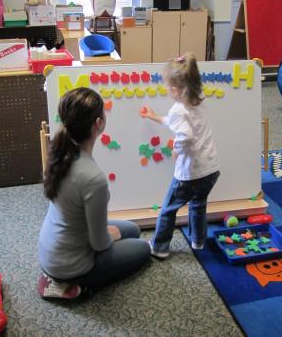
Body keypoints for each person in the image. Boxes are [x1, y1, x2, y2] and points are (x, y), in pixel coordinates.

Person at [38, 87, 150, 299]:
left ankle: (63, 278)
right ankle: (76, 286)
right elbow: (99, 243)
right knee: (142, 249)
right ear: (99, 124)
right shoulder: (93, 178)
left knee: (133, 229)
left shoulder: (61, 152)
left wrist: (110, 234)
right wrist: (110, 236)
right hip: (71, 264)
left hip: (52, 249)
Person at [141, 53, 220, 259]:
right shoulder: (199, 102)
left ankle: (159, 248)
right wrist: (154, 116)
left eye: (168, 88)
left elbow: (184, 134)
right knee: (198, 204)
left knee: (168, 209)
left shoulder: (178, 109)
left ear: (175, 91)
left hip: (190, 174)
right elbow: (176, 122)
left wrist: (176, 149)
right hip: (211, 169)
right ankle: (199, 240)